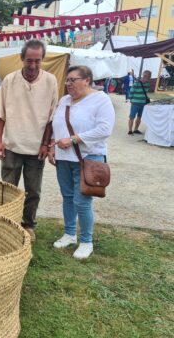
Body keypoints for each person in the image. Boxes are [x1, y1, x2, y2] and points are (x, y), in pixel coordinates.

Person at [48, 65, 115, 259]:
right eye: (67, 80)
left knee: (82, 201)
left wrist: (74, 139)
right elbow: (57, 124)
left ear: (86, 80)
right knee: (67, 197)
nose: (68, 84)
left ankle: (86, 241)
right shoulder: (64, 100)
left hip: (88, 158)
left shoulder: (101, 100)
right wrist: (53, 146)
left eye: (73, 80)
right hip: (63, 158)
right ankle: (69, 234)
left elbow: (104, 130)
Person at [0, 40, 58, 241]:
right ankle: (6, 223)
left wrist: (46, 144)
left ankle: (28, 224)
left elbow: (51, 118)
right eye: (29, 60)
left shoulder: (50, 81)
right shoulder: (9, 80)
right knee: (8, 189)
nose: (32, 65)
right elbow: (0, 114)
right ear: (21, 58)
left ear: (43, 59)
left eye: (37, 61)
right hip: (12, 145)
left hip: (36, 147)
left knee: (33, 191)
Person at [128, 70, 151, 135]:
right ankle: (130, 130)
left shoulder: (147, 84)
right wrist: (131, 100)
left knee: (139, 117)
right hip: (135, 103)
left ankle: (135, 129)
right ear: (144, 76)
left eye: (149, 77)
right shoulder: (136, 83)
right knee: (132, 117)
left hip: (143, 103)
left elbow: (145, 92)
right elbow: (131, 92)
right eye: (148, 77)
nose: (148, 79)